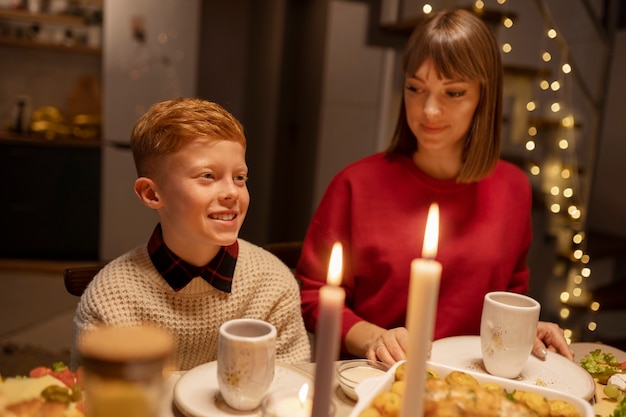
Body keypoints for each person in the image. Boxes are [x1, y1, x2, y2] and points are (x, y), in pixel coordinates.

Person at [297, 9, 574, 366]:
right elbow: (313, 296)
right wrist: (376, 337)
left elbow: (508, 295)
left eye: (453, 92)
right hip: (373, 381)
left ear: (483, 97)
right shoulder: (355, 184)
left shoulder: (513, 188)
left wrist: (524, 328)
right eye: (415, 88)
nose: (428, 110)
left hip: (471, 383)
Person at [71, 98, 311, 371]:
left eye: (240, 178)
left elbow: (291, 382)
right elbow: (93, 401)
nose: (232, 192)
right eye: (208, 176)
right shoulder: (110, 299)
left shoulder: (274, 283)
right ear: (151, 194)